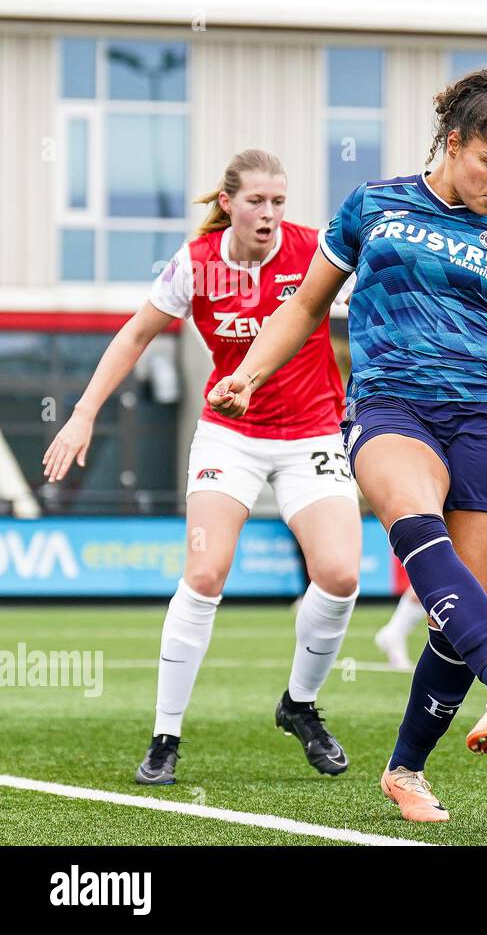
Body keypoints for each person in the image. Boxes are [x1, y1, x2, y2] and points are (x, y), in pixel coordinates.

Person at [206, 69, 487, 823]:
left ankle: (405, 771)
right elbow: (306, 303)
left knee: (454, 614)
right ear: (456, 141)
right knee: (415, 527)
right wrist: (246, 373)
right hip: (391, 405)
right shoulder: (374, 205)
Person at [42, 149, 361, 785]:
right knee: (207, 570)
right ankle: (165, 736)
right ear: (227, 203)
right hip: (229, 436)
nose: (269, 214)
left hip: (312, 433)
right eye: (256, 202)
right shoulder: (195, 265)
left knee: (341, 574)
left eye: (279, 201)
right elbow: (134, 335)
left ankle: (299, 706)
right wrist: (82, 414)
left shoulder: (318, 251)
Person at [374, 440, 487, 671]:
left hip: (485, 482)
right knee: (450, 565)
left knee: (453, 567)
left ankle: (397, 631)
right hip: (459, 477)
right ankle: (402, 634)